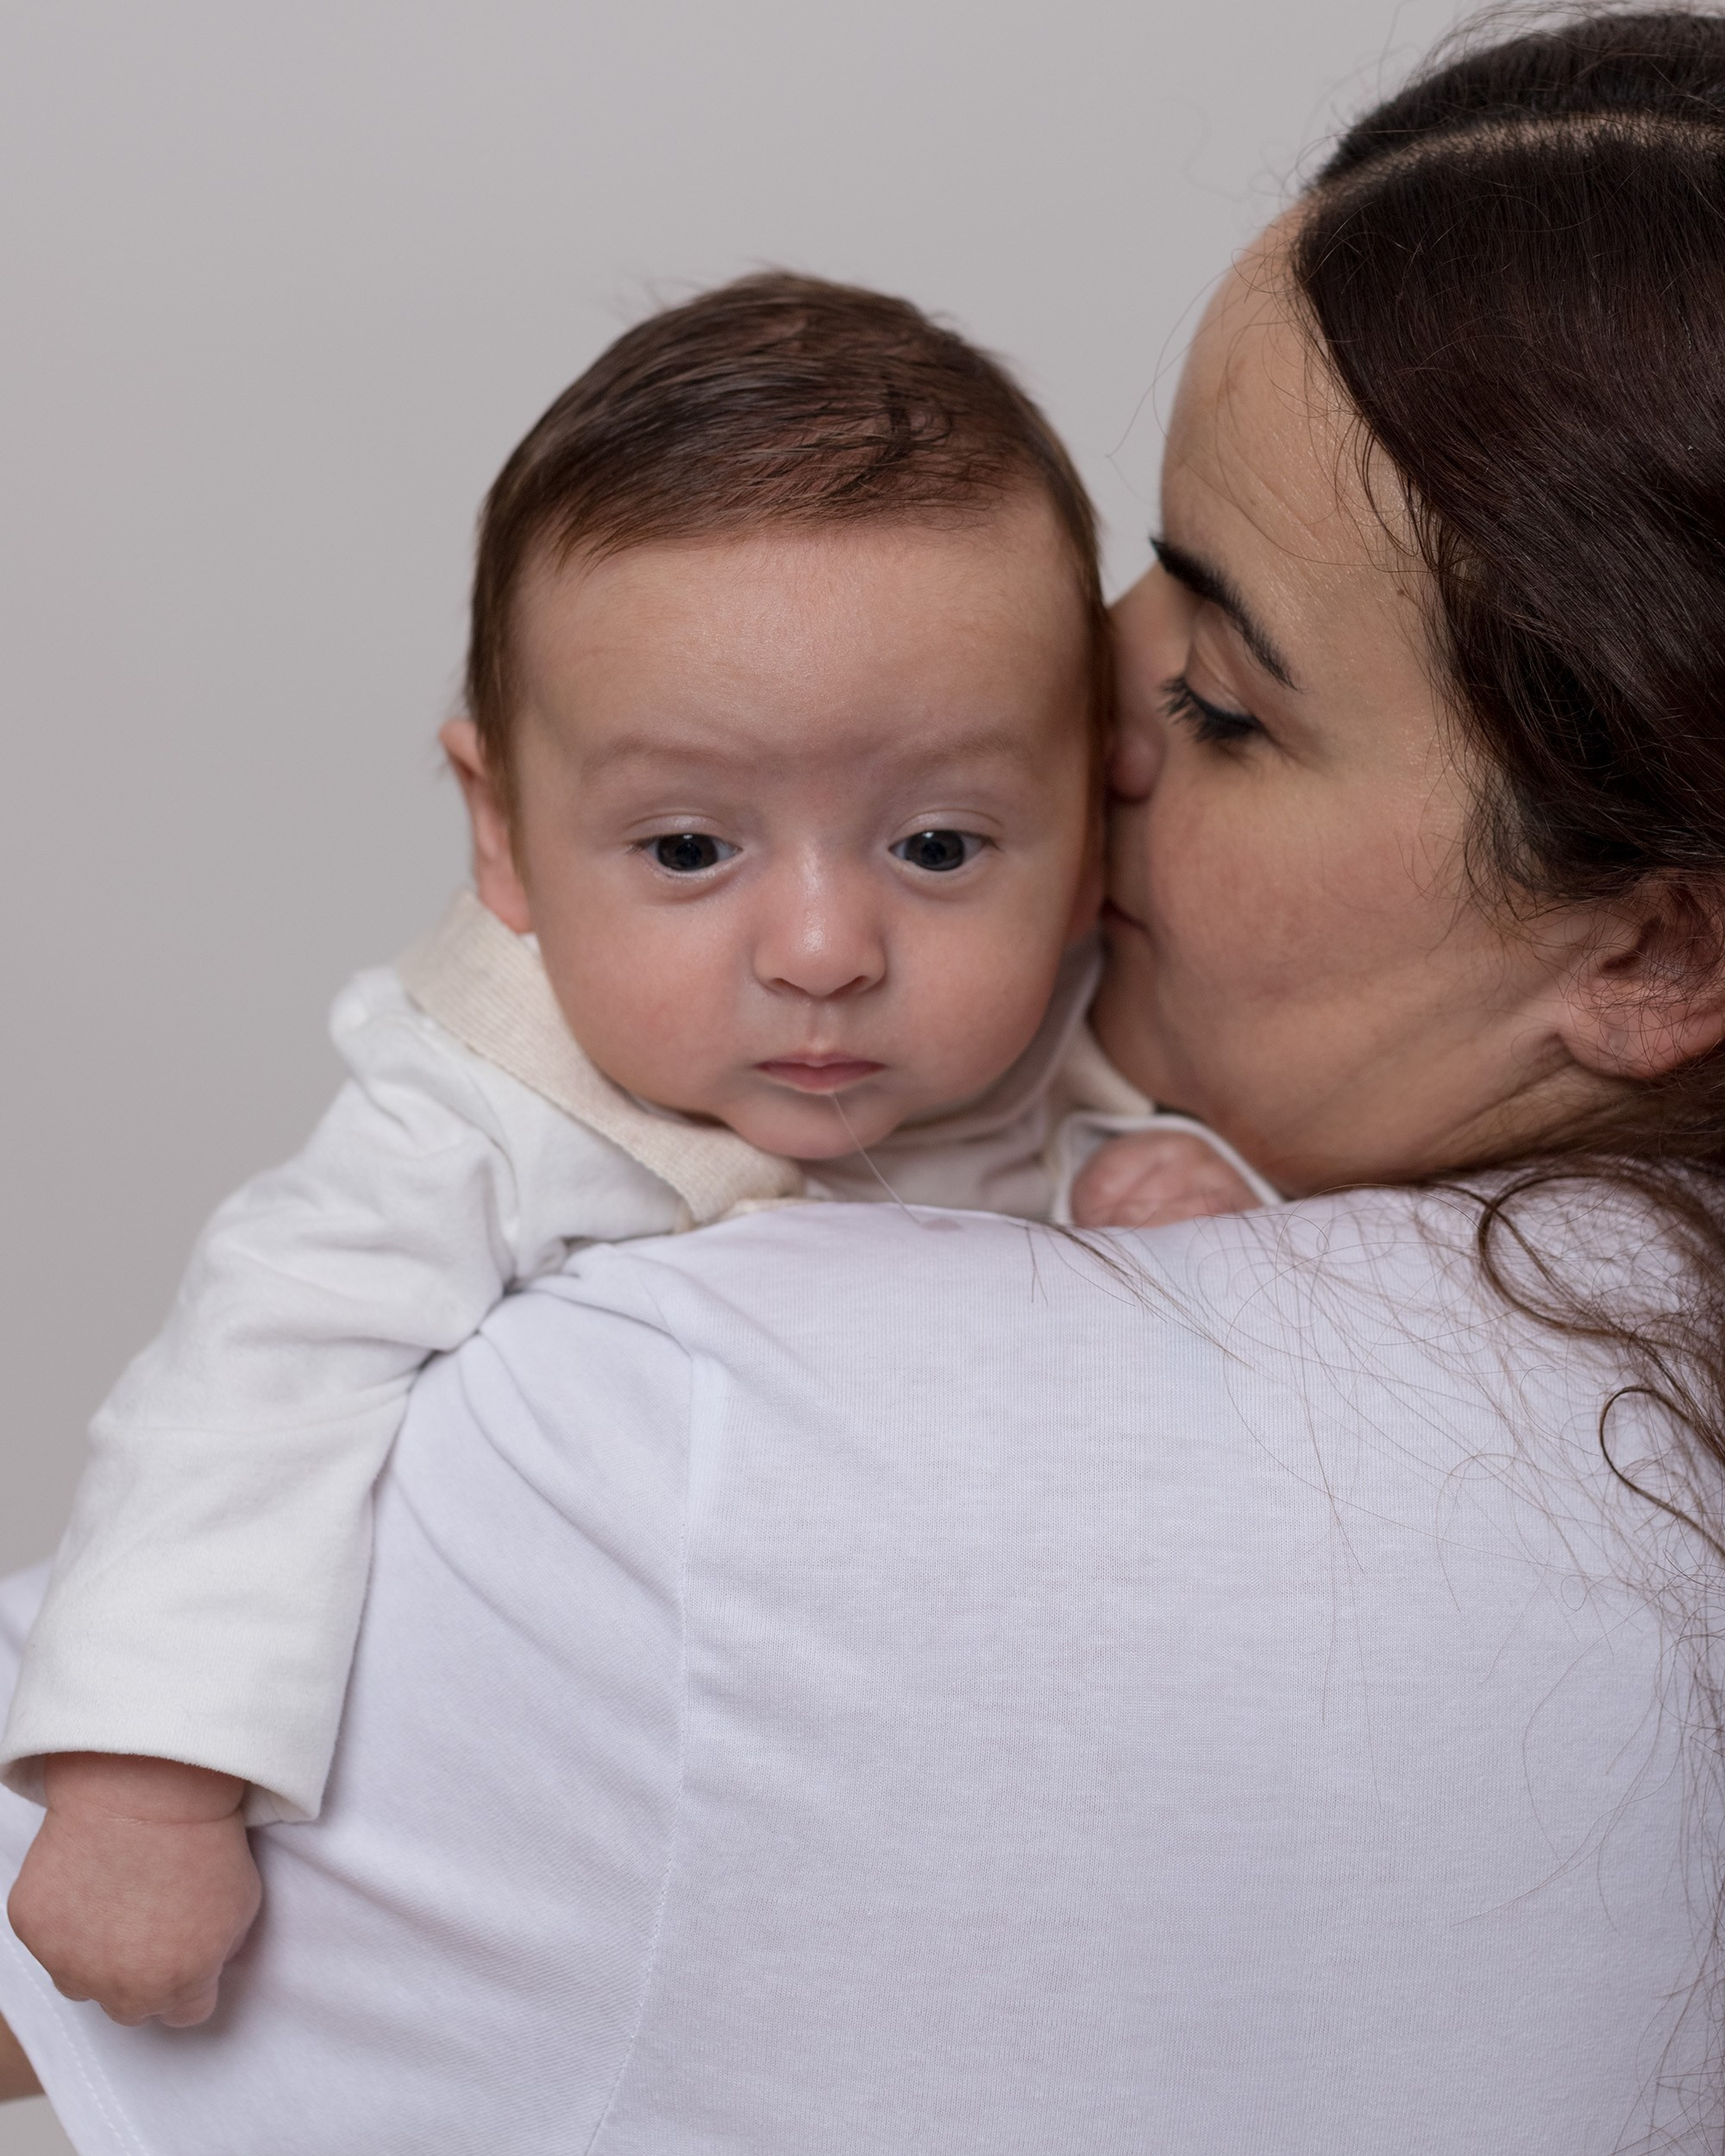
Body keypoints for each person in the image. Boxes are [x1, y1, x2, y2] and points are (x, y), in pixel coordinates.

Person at [9, 0, 1725, 2144]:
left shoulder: (727, 1419)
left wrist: (140, 1770)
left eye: (1225, 700)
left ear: (1655, 949)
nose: (1076, 717)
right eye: (1143, 577)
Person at [0, 275, 1265, 2028]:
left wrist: (1175, 1196)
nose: (822, 945)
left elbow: (1108, 1255)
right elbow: (249, 1396)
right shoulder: (475, 1115)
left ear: (1090, 812)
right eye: (686, 845)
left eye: (936, 839)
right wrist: (149, 1776)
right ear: (502, 833)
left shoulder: (1062, 1056)